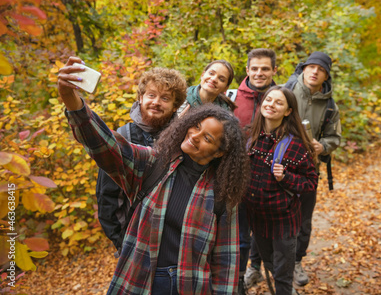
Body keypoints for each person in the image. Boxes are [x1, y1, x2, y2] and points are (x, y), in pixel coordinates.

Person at [57, 57, 250, 295]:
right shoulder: (155, 163)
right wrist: (71, 99)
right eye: (196, 127)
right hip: (139, 279)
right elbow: (106, 146)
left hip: (190, 285)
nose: (195, 136)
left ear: (220, 152)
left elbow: (226, 261)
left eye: (207, 138)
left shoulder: (222, 193)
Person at [96, 67, 187, 255]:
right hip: (133, 238)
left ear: (175, 105)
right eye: (151, 95)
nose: (156, 102)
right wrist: (120, 240)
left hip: (174, 240)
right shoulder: (123, 136)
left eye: (165, 98)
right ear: (140, 98)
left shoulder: (184, 138)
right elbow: (107, 194)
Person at [244, 86, 318, 295]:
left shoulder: (296, 144)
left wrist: (286, 178)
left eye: (278, 102)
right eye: (268, 100)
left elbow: (311, 182)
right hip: (257, 218)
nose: (271, 105)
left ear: (287, 111)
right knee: (268, 262)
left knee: (283, 272)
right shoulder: (251, 136)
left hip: (284, 220)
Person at [284, 51, 341, 286]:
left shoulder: (329, 105)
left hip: (308, 170)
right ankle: (258, 265)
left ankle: (296, 263)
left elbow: (335, 137)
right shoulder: (284, 92)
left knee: (303, 220)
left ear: (325, 75)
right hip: (277, 165)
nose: (315, 71)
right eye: (311, 67)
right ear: (304, 69)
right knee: (267, 215)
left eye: (321, 69)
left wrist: (323, 146)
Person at [227, 48, 278, 293]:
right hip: (238, 178)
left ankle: (259, 268)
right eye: (255, 68)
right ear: (247, 70)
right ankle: (238, 282)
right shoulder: (231, 97)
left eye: (265, 68)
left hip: (270, 179)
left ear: (274, 71)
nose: (259, 73)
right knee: (240, 236)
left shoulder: (281, 97)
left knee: (266, 232)